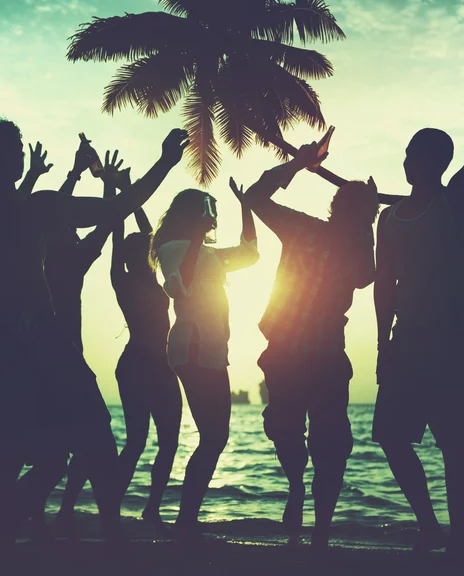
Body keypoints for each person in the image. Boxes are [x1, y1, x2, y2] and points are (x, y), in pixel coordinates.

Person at [0, 119, 188, 551]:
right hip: (38, 334)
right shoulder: (33, 207)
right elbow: (117, 208)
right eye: (17, 147)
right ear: (0, 156)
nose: (23, 154)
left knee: (16, 455)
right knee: (90, 433)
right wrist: (165, 162)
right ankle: (96, 535)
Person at [244, 143, 378, 550]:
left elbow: (365, 277)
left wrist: (366, 224)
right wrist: (297, 165)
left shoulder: (355, 250)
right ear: (338, 209)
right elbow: (253, 197)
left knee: (332, 444)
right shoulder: (302, 228)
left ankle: (320, 530)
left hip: (325, 357)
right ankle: (297, 486)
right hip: (285, 351)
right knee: (284, 429)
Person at [58, 161, 183, 533]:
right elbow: (116, 230)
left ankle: (151, 511)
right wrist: (114, 191)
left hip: (162, 366)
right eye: (135, 250)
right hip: (137, 366)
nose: (143, 251)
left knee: (169, 442)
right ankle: (109, 509)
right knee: (137, 442)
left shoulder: (155, 279)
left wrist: (129, 190)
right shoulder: (121, 280)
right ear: (130, 257)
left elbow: (148, 233)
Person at [373, 128, 464, 558]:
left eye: (414, 155)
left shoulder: (453, 205)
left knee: (453, 443)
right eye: (406, 153)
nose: (406, 161)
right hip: (404, 342)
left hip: (448, 343)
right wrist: (381, 342)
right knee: (391, 436)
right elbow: (383, 286)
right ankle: (429, 526)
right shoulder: (387, 218)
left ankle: (458, 537)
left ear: (436, 162)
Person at [151, 179, 259, 537]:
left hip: (214, 349)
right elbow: (178, 284)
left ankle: (186, 519)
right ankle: (185, 521)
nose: (212, 217)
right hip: (192, 345)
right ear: (191, 215)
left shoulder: (211, 254)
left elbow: (250, 254)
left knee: (217, 437)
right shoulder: (173, 247)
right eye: (206, 210)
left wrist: (246, 206)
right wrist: (198, 236)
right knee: (213, 436)